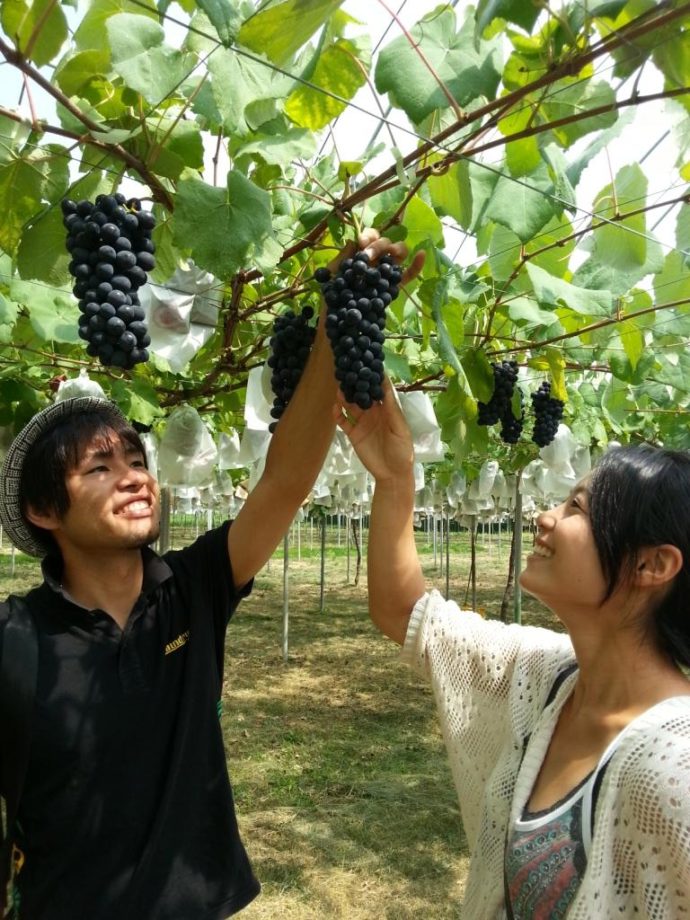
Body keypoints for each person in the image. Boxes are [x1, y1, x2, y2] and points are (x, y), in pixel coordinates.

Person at [0, 232, 424, 920]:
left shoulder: (190, 591)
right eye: (98, 468)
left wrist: (334, 314)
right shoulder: (16, 640)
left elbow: (284, 481)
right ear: (46, 510)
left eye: (135, 460)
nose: (134, 478)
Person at [334, 378, 690, 919]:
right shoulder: (544, 677)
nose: (546, 517)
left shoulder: (674, 771)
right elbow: (403, 611)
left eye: (577, 508)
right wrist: (395, 477)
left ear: (651, 565)